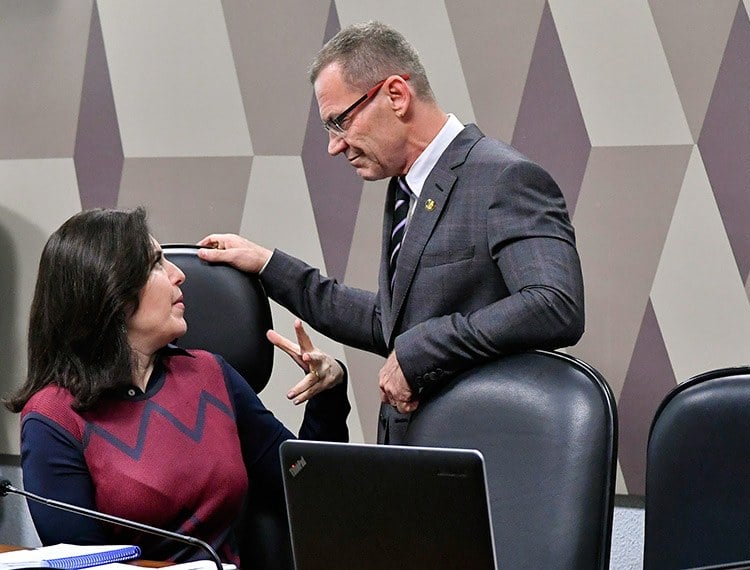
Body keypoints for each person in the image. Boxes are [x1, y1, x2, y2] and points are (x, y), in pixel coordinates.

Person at [198, 21, 584, 444]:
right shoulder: (406, 187)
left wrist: (420, 351)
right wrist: (268, 265)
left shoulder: (505, 178)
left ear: (396, 95)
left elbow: (554, 304)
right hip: (421, 455)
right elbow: (390, 323)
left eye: (340, 122)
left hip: (482, 455)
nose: (334, 145)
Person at [5, 208, 350, 566]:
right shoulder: (54, 416)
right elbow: (85, 564)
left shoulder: (210, 375)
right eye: (156, 264)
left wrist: (328, 393)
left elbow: (301, 485)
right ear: (114, 294)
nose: (179, 275)